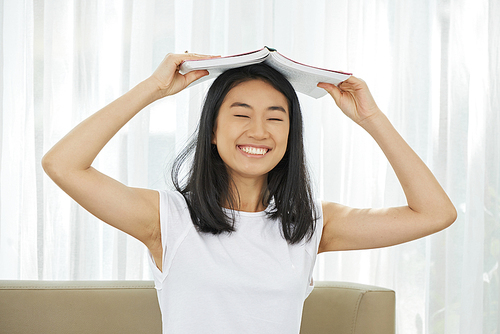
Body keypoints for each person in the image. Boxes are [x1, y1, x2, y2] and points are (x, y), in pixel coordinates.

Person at [42, 52, 457, 333]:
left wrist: (372, 118)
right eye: (241, 114)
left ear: (290, 136)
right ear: (213, 132)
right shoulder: (165, 219)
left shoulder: (311, 224)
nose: (258, 131)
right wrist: (153, 88)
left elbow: (434, 213)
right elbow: (63, 164)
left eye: (275, 118)